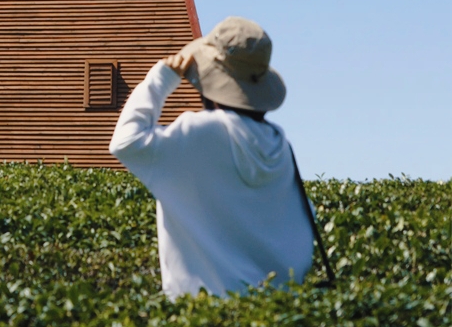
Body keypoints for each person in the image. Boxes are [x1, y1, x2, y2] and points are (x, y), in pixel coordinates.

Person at [109, 17, 314, 299]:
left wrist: (161, 78)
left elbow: (125, 141)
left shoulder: (199, 133)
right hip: (278, 310)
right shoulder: (279, 144)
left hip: (204, 317)